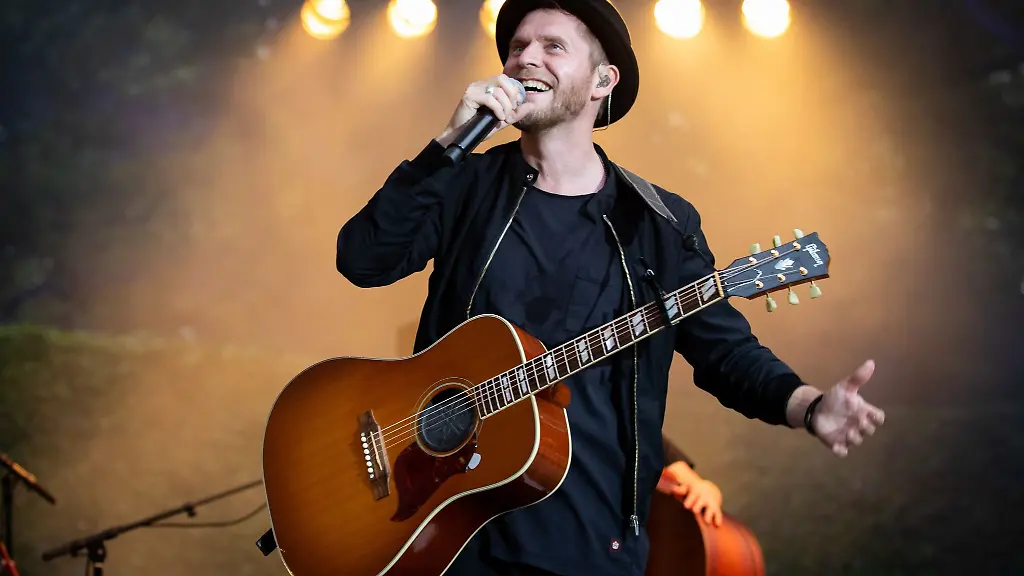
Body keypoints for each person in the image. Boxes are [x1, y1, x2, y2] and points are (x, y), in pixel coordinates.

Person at [335, 0, 886, 573]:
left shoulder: (658, 222)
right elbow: (362, 259)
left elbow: (725, 352)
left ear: (603, 80)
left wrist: (809, 405)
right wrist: (448, 143)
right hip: (448, 534)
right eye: (517, 48)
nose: (525, 59)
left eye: (553, 47)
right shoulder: (466, 184)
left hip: (587, 541)